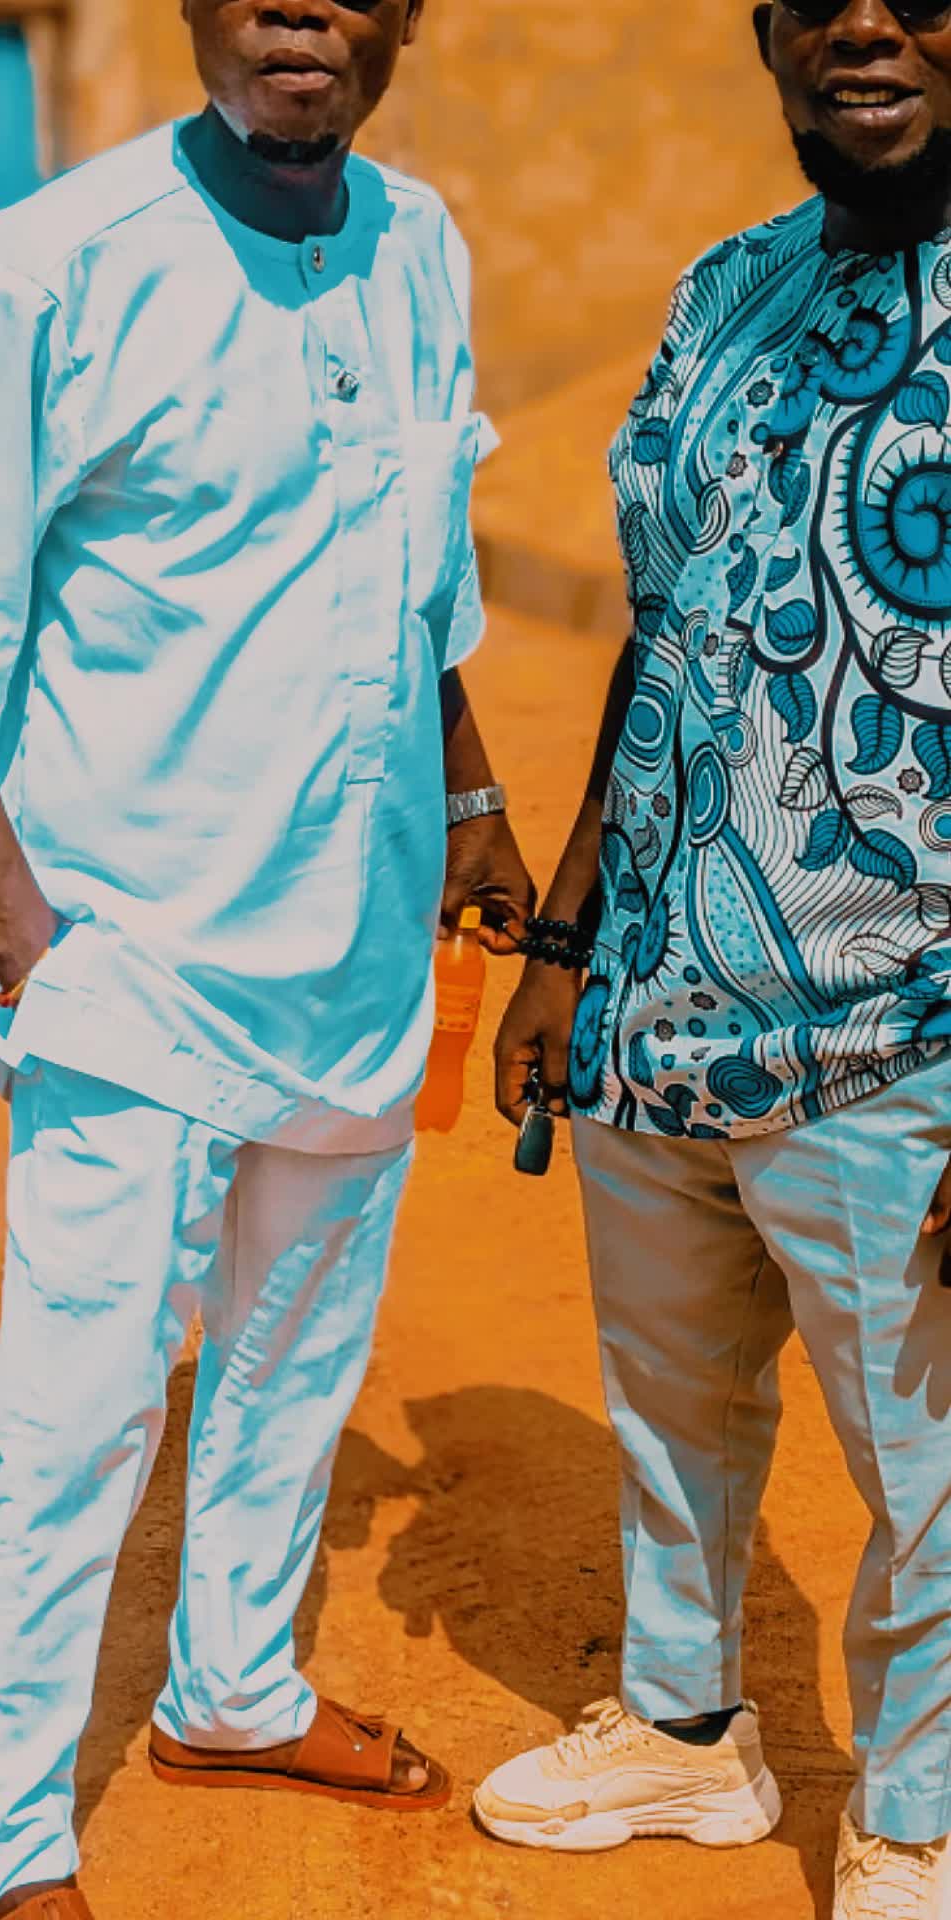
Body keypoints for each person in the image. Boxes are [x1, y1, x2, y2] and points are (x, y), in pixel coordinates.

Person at [0, 3, 534, 1914]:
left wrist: (473, 804)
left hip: (358, 946)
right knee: (79, 1421)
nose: (297, 8)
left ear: (407, 15)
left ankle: (234, 1692)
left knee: (296, 1361)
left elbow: (423, 582)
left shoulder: (418, 241)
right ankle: (1, 1840)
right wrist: (33, 952)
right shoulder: (46, 274)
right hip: (131, 969)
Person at [476, 3, 951, 1915]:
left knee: (926, 1464)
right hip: (663, 998)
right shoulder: (725, 290)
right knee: (673, 1414)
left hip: (900, 1024)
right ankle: (687, 1736)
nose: (869, 21)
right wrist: (570, 937)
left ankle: (918, 1815)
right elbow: (663, 632)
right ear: (768, 37)